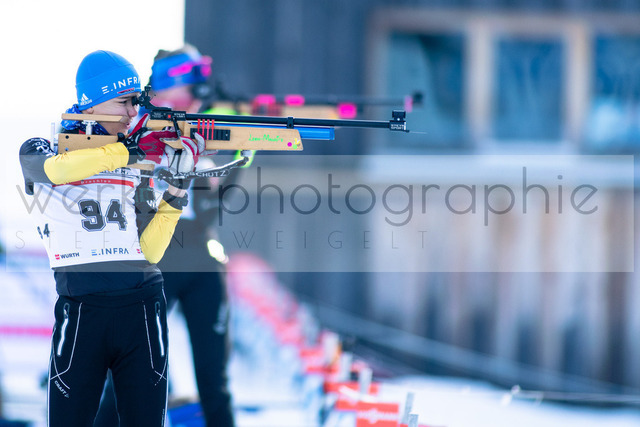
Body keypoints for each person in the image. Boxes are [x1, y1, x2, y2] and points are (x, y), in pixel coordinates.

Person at [19, 50, 204, 427]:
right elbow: (54, 170)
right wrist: (127, 151)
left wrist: (176, 191)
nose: (133, 112)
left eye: (136, 102)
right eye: (124, 101)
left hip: (142, 306)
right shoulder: (43, 147)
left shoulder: (136, 164)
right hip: (82, 310)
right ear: (91, 103)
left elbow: (149, 251)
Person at [94, 45, 237, 427]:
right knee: (126, 376)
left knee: (215, 381)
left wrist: (214, 161)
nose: (197, 96)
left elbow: (212, 198)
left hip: (200, 255)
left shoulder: (199, 125)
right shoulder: (133, 122)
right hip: (153, 256)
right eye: (190, 86)